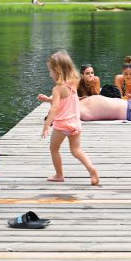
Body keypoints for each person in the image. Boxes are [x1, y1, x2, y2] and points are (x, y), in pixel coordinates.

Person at [40, 51, 99, 185]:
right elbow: (63, 101)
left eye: (50, 71)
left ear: (57, 71)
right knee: (76, 150)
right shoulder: (74, 83)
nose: (50, 74)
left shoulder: (57, 89)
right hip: (75, 124)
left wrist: (46, 125)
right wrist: (48, 99)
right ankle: (91, 169)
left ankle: (59, 175)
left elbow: (55, 108)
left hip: (61, 126)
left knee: (54, 149)